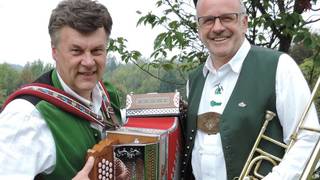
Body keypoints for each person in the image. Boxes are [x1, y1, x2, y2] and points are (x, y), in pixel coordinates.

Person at [180, 0, 320, 179]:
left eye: (226, 18)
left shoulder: (279, 66)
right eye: (208, 20)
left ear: (244, 23)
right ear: (199, 28)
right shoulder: (195, 79)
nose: (217, 27)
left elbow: (308, 138)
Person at [0, 0, 128, 179]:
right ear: (54, 52)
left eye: (97, 50)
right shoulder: (25, 119)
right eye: (77, 51)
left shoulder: (108, 95)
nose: (89, 62)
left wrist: (117, 162)